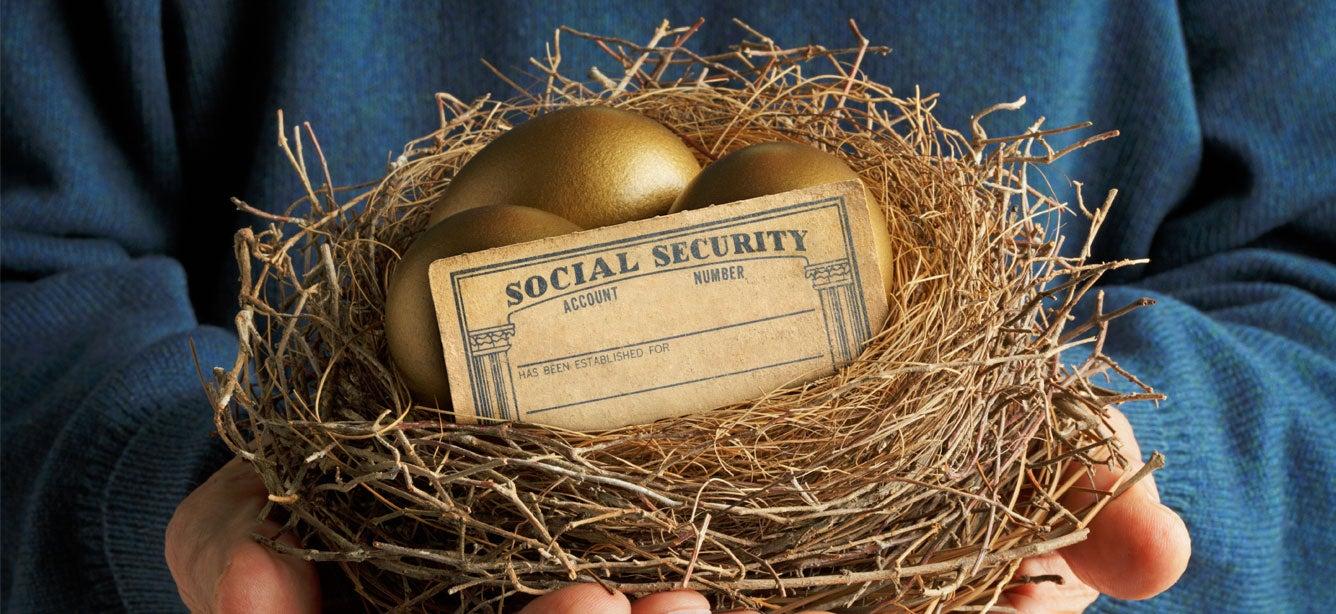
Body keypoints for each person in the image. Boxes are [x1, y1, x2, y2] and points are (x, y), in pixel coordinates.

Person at [2, 2, 1331, 613]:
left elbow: (1310, 257)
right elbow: (31, 252)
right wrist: (181, 471)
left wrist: (1116, 464)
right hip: (388, 513)